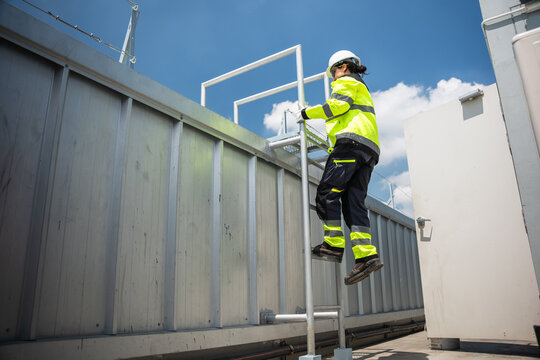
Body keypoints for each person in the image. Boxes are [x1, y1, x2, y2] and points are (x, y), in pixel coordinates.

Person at [298, 50, 383, 285]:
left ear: (343, 67)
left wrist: (306, 113)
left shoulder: (346, 82)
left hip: (350, 143)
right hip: (368, 149)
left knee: (327, 193)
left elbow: (336, 107)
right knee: (352, 202)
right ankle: (366, 256)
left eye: (334, 72)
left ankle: (333, 245)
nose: (333, 78)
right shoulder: (361, 88)